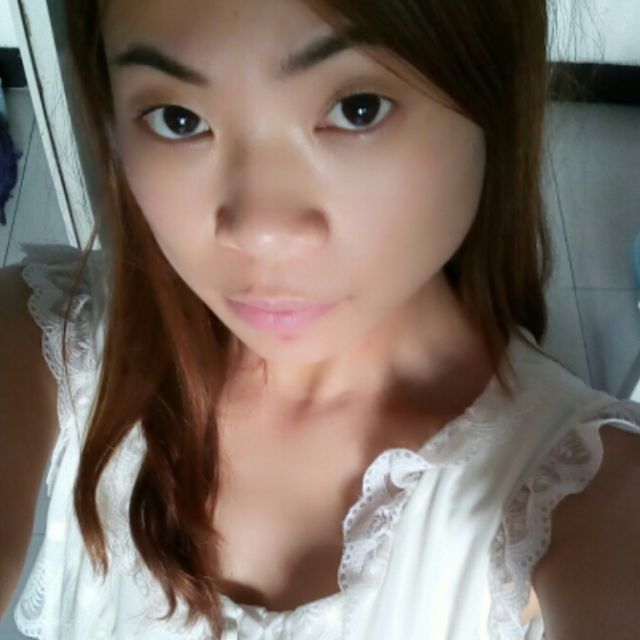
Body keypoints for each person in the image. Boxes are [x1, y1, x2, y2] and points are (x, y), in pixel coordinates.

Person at [1, 0, 639, 638]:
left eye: (358, 109)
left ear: (492, 96)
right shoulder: (50, 344)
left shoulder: (583, 495)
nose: (259, 231)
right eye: (179, 119)